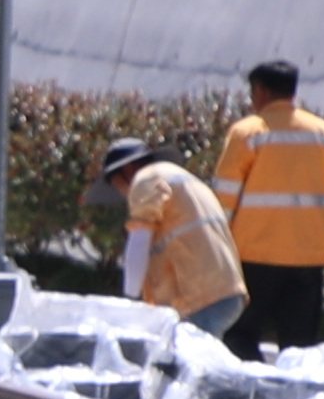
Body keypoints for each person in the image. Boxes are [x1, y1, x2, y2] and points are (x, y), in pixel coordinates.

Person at [214, 59, 324, 354]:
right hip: (307, 261)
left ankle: (253, 395)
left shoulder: (247, 133)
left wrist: (215, 250)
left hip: (254, 258)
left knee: (239, 336)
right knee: (299, 349)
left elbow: (224, 200)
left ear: (260, 91)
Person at [93, 137, 244, 328]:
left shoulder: (145, 180)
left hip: (200, 298)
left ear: (128, 169)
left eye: (116, 183)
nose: (122, 193)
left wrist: (130, 300)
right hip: (225, 291)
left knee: (189, 357)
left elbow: (139, 241)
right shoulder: (178, 178)